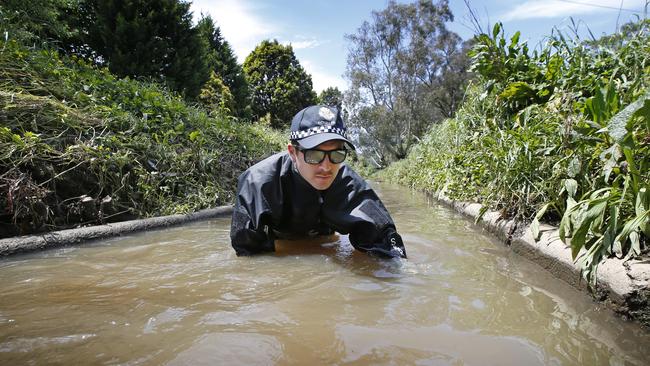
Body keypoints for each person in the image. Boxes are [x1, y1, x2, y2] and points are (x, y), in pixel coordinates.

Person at [230, 105, 407, 259]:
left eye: (336, 154)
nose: (326, 167)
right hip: (281, 239)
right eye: (314, 155)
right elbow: (249, 257)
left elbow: (386, 242)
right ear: (293, 153)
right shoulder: (258, 183)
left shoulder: (349, 182)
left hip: (325, 239)